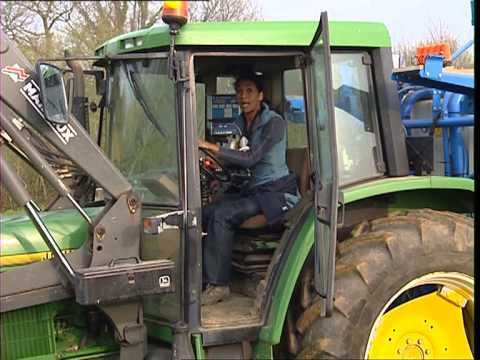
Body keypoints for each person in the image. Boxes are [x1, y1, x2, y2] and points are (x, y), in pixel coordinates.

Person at [198, 71, 300, 306]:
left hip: (275, 193)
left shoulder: (274, 123)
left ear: (260, 95)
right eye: (240, 91)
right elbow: (238, 155)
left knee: (224, 215)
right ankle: (201, 277)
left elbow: (251, 158)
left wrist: (208, 146)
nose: (243, 97)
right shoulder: (243, 122)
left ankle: (219, 285)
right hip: (253, 189)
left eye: (249, 91)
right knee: (202, 213)